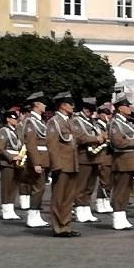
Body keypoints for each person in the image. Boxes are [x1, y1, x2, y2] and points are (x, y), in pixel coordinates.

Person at [107, 96, 134, 231]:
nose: (129, 108)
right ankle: (117, 218)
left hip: (131, 160)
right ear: (119, 108)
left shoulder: (127, 123)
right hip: (122, 160)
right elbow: (117, 142)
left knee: (126, 190)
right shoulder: (115, 123)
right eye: (126, 106)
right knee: (120, 190)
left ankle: (122, 216)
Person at [46, 91, 81, 238]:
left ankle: (66, 225)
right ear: (62, 105)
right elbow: (52, 145)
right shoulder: (54, 122)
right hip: (62, 165)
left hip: (72, 164)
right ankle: (57, 227)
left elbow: (79, 137)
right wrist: (56, 166)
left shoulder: (70, 121)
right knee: (59, 198)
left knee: (68, 198)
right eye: (70, 103)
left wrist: (96, 138)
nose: (73, 106)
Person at [71, 98, 106, 223]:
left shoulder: (92, 121)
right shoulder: (76, 120)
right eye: (89, 110)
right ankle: (79, 210)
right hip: (83, 157)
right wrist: (96, 139)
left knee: (90, 186)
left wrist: (103, 136)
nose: (91, 113)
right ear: (84, 109)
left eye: (92, 111)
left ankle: (86, 209)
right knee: (81, 186)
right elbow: (79, 137)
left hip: (95, 157)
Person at [21, 92, 51, 228]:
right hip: (37, 160)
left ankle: (36, 215)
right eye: (43, 103)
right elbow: (31, 144)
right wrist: (36, 162)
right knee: (37, 189)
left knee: (40, 188)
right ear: (37, 105)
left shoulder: (39, 121)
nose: (45, 106)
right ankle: (32, 216)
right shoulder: (30, 121)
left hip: (43, 159)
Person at [0, 108, 23, 220]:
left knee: (14, 186)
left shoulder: (16, 131)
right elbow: (0, 148)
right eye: (13, 118)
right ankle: (6, 209)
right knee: (7, 186)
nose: (15, 120)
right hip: (7, 162)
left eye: (16, 118)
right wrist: (11, 157)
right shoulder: (3, 131)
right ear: (8, 119)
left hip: (17, 160)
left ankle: (11, 208)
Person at [94, 104, 114, 214]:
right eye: (106, 113)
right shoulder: (98, 125)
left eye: (109, 114)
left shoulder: (109, 125)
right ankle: (100, 201)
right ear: (100, 114)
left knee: (109, 180)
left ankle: (105, 200)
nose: (108, 116)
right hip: (102, 155)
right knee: (104, 180)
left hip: (110, 155)